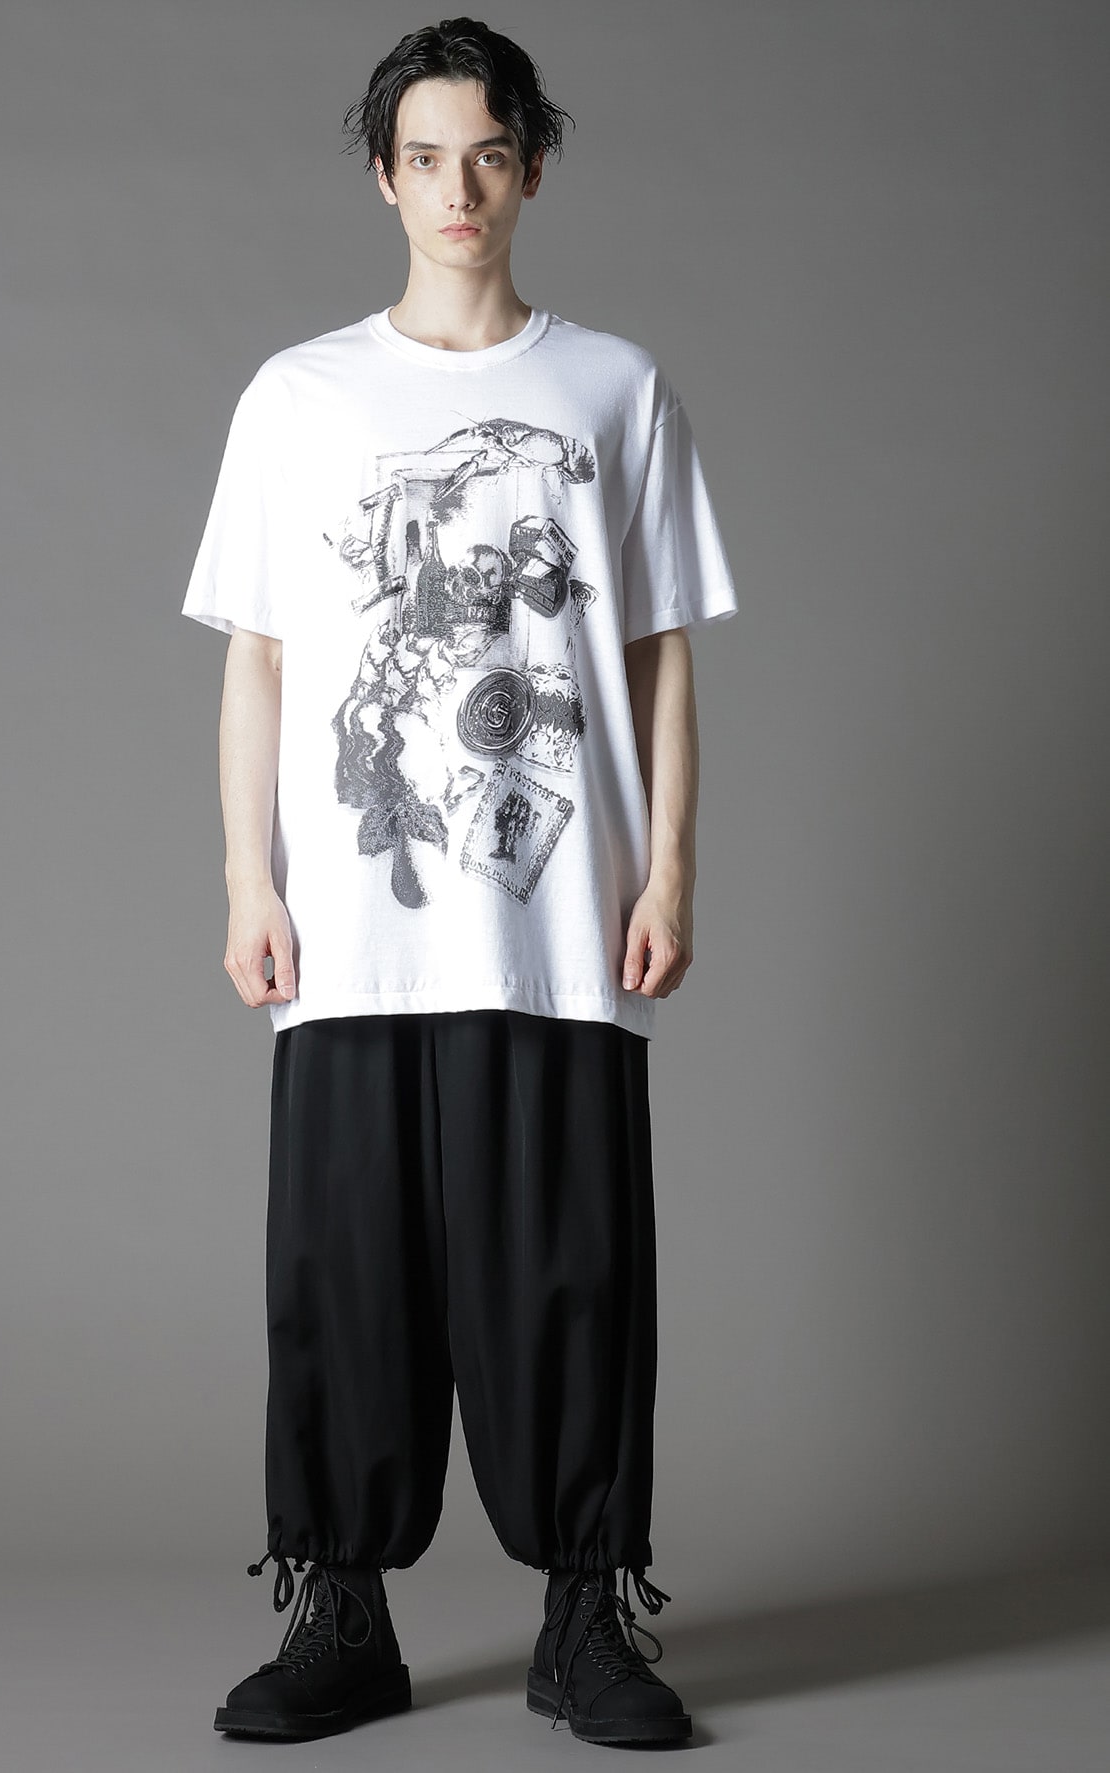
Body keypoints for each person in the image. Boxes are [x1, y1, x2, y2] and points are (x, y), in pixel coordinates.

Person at [180, 14, 737, 1750]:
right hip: (352, 933)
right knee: (343, 1275)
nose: (458, 190)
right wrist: (246, 879)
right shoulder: (300, 394)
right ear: (384, 175)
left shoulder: (613, 388)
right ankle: (342, 1615)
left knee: (571, 1271)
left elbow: (659, 650)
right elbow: (259, 658)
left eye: (489, 154)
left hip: (557, 924)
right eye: (426, 158)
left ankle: (586, 1619)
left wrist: (671, 867)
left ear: (531, 168)